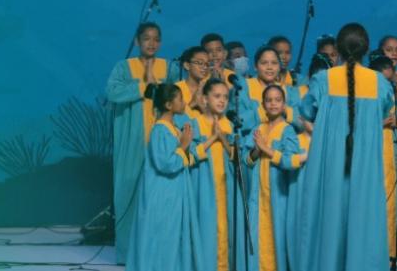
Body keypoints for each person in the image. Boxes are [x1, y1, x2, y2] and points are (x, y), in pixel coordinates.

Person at [291, 23, 393, 271]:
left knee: (327, 220)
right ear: (367, 50)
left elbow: (306, 111)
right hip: (364, 169)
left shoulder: (323, 80)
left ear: (337, 49)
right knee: (362, 220)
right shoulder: (379, 83)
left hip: (329, 167)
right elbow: (385, 109)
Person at [104, 22, 169, 263]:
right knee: (128, 191)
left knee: (161, 195)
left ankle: (158, 252)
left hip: (161, 139)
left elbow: (176, 95)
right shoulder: (124, 67)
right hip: (132, 140)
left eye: (156, 39)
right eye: (146, 38)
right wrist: (144, 86)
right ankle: (127, 253)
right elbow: (112, 92)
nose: (151, 43)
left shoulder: (168, 67)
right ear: (137, 41)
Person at [127, 84, 196, 271]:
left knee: (171, 235)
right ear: (168, 105)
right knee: (161, 235)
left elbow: (180, 158)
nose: (184, 102)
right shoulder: (160, 130)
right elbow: (165, 163)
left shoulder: (173, 128)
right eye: (180, 99)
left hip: (172, 193)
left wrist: (186, 146)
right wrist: (183, 146)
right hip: (162, 194)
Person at [242, 84, 305, 271]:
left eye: (277, 100)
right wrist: (256, 150)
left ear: (284, 104)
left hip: (278, 195)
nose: (273, 104)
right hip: (258, 196)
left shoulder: (288, 130)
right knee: (257, 239)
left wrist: (266, 149)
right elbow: (247, 160)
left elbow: (291, 161)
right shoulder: (258, 129)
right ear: (263, 104)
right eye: (269, 100)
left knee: (277, 239)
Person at [187, 78, 236, 271]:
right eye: (217, 96)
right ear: (205, 99)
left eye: (225, 97)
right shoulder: (195, 124)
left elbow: (236, 157)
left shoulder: (230, 125)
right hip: (203, 188)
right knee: (205, 230)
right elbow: (189, 156)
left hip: (225, 187)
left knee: (223, 230)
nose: (222, 100)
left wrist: (222, 137)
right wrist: (213, 137)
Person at [369, 54, 397, 267]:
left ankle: (390, 258)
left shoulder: (396, 101)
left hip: (392, 163)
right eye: (383, 81)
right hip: (371, 165)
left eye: (390, 81)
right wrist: (379, 123)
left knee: (390, 209)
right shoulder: (364, 100)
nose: (387, 85)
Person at [236, 46, 301, 137]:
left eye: (274, 63)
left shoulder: (290, 92)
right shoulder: (242, 88)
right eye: (264, 63)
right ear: (255, 66)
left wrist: (286, 111)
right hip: (250, 143)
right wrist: (262, 112)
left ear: (279, 67)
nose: (269, 67)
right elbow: (235, 124)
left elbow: (302, 123)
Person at [177, 46, 213, 114]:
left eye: (207, 64)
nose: (205, 67)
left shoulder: (210, 90)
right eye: (200, 63)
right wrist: (193, 103)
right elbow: (173, 118)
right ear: (187, 65)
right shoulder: (176, 90)